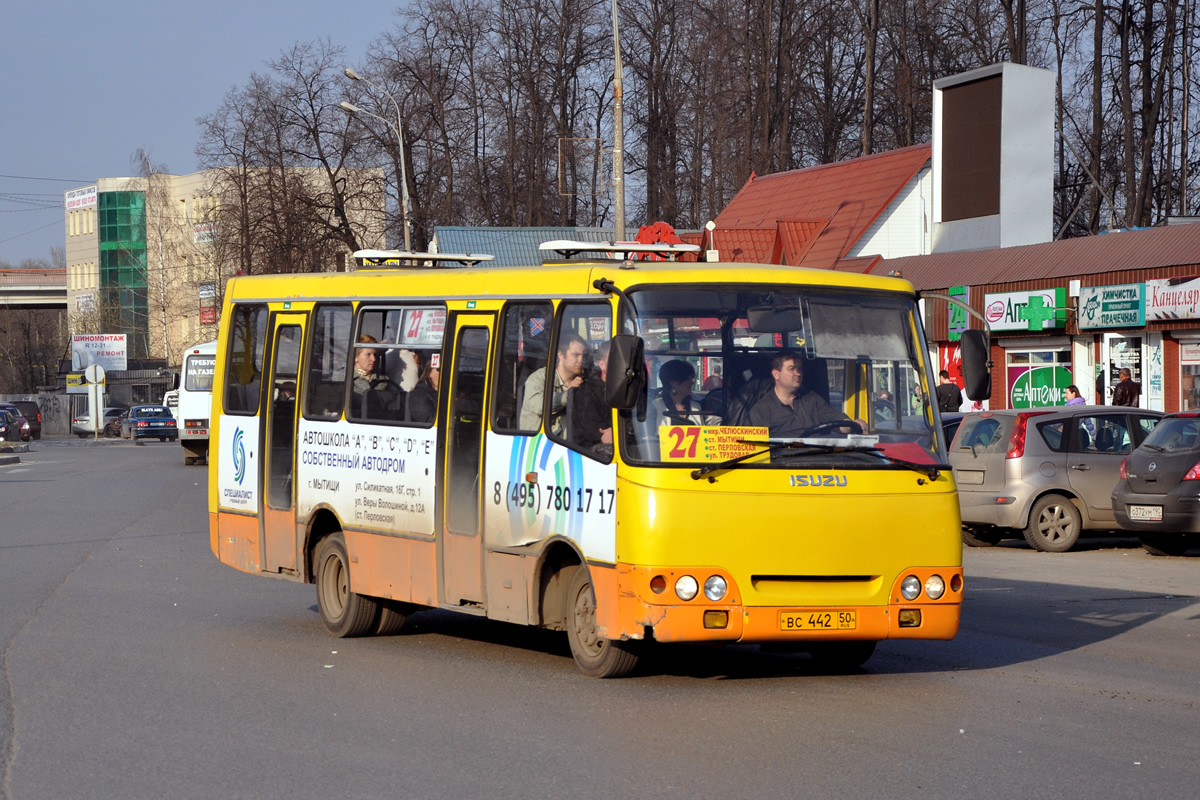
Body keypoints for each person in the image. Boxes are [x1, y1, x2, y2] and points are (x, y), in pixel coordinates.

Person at [745, 351, 853, 437]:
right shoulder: (760, 410)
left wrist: (852, 424)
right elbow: (752, 448)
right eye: (791, 369)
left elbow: (838, 422)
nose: (798, 373)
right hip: (779, 463)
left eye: (799, 369)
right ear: (776, 374)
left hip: (816, 461)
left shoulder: (812, 400)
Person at [520, 332, 586, 434]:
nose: (581, 360)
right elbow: (539, 406)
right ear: (561, 355)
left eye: (583, 355)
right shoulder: (538, 379)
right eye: (576, 355)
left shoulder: (584, 381)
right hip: (541, 444)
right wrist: (568, 395)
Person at [568, 340, 614, 455]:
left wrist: (618, 431)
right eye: (616, 360)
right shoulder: (586, 391)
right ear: (602, 364)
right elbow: (594, 431)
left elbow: (643, 418)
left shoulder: (631, 388)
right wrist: (617, 431)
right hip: (590, 454)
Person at [655, 359, 720, 426]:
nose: (692, 382)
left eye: (692, 378)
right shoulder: (657, 406)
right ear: (673, 383)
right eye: (687, 379)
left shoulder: (696, 406)